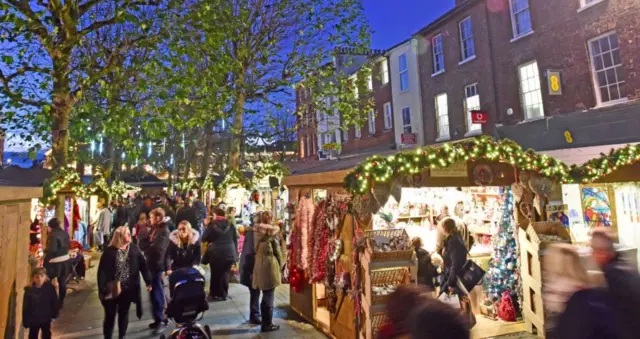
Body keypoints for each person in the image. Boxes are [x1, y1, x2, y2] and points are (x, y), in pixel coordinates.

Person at [97, 226, 152, 339]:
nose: (129, 235)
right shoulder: (109, 252)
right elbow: (102, 272)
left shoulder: (134, 249)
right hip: (111, 288)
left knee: (124, 313)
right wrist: (102, 289)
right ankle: (108, 337)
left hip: (128, 288)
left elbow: (143, 266)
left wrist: (148, 281)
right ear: (119, 237)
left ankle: (122, 336)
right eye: (126, 233)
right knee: (110, 315)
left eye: (129, 233)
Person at [590, 228, 640, 339]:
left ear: (602, 252)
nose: (592, 255)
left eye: (594, 251)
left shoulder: (612, 275)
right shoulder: (626, 267)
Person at [252, 211, 283, 332]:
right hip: (269, 264)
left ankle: (265, 322)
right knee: (269, 294)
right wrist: (280, 266)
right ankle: (267, 323)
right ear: (270, 219)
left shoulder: (256, 232)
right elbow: (277, 251)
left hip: (259, 263)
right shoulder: (272, 233)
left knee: (265, 293)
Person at [203, 208, 238, 301]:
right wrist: (235, 255)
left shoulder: (212, 225)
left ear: (215, 215)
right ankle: (223, 294)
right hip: (229, 251)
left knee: (215, 273)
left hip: (215, 252)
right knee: (225, 273)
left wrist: (206, 225)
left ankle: (214, 294)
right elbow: (235, 239)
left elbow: (204, 238)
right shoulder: (230, 225)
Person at [145, 208, 171, 333]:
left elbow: (159, 250)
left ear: (158, 218)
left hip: (157, 266)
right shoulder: (156, 229)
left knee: (157, 294)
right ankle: (157, 319)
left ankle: (161, 319)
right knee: (153, 293)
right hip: (152, 264)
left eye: (152, 217)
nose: (150, 220)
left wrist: (147, 248)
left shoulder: (163, 231)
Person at [239, 212, 264, 325]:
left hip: (254, 267)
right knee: (255, 291)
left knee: (256, 292)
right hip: (252, 267)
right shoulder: (253, 234)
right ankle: (255, 315)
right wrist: (250, 270)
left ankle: (256, 314)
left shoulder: (253, 232)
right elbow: (249, 253)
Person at [22, 268, 59, 339]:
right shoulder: (29, 291)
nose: (39, 279)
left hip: (46, 317)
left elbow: (54, 302)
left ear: (45, 277)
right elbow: (26, 306)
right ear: (33, 278)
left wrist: (54, 314)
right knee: (33, 334)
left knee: (46, 334)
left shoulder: (50, 288)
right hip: (34, 318)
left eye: (42, 276)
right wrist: (26, 321)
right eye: (37, 277)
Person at [43, 217, 70, 308]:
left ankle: (51, 300)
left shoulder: (52, 235)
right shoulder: (65, 233)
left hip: (54, 262)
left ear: (51, 226)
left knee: (48, 281)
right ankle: (61, 302)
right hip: (65, 260)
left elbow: (52, 249)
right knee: (62, 282)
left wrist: (45, 250)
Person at [441, 217, 467, 296]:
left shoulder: (453, 241)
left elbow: (455, 264)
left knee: (446, 301)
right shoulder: (455, 237)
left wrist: (451, 283)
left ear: (445, 228)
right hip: (450, 275)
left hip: (453, 277)